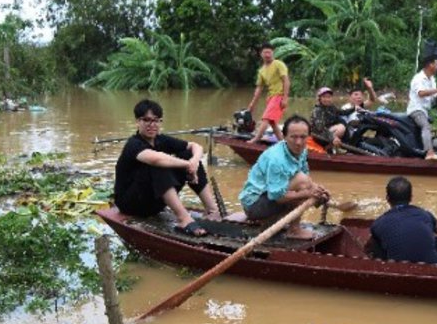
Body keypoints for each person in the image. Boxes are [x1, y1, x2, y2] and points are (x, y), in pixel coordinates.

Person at [113, 99, 220, 236]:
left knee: (187, 154)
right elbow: (155, 159)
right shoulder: (133, 144)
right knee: (159, 163)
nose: (152, 125)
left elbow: (196, 146)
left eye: (156, 120)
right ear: (137, 122)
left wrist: (193, 161)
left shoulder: (161, 139)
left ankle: (212, 210)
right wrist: (188, 165)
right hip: (131, 204)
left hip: (154, 202)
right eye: (147, 120)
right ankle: (184, 219)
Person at [238, 115, 330, 240]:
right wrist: (307, 193)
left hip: (269, 196)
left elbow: (307, 179)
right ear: (285, 137)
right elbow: (277, 196)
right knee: (302, 183)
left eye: (303, 137)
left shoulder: (302, 151)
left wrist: (319, 191)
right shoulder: (276, 159)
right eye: (294, 137)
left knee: (308, 185)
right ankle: (294, 230)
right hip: (254, 205)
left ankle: (276, 222)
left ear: (308, 137)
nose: (298, 142)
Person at [366, 176, 437, 264]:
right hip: (431, 269)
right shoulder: (424, 214)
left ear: (387, 198)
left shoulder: (378, 223)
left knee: (376, 244)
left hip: (398, 271)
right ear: (411, 197)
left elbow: (369, 248)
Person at [407, 55, 437, 160]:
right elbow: (421, 93)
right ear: (430, 65)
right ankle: (429, 153)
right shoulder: (418, 78)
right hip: (416, 110)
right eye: (436, 64)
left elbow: (434, 95)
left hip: (425, 110)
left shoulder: (431, 79)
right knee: (426, 126)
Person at [246, 43, 290, 144]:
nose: (267, 54)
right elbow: (259, 88)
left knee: (266, 118)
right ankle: (283, 142)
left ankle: (256, 138)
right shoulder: (261, 71)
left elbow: (286, 80)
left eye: (269, 52)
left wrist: (285, 98)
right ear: (261, 54)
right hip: (270, 97)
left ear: (273, 53)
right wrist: (252, 104)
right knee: (273, 122)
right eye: (265, 52)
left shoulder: (278, 64)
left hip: (279, 96)